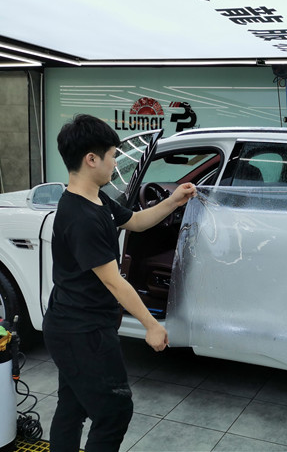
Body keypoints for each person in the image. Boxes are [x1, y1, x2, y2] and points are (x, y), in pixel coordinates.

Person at [42, 114, 196, 451]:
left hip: (76, 324)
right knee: (114, 412)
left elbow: (136, 221)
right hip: (81, 331)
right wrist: (151, 325)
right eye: (113, 156)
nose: (116, 163)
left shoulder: (97, 199)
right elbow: (115, 282)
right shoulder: (80, 217)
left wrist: (173, 201)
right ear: (91, 159)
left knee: (73, 405)